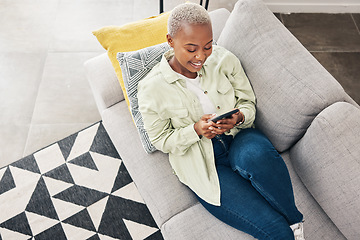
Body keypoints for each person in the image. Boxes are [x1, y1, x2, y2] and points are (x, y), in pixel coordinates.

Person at [138, 3, 305, 240]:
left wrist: (238, 117)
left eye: (207, 46)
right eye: (191, 49)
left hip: (241, 138)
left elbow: (248, 103)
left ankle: (296, 220)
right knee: (276, 232)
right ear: (170, 41)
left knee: (254, 157)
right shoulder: (151, 89)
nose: (201, 57)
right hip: (204, 163)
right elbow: (160, 139)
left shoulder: (224, 60)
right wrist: (195, 130)